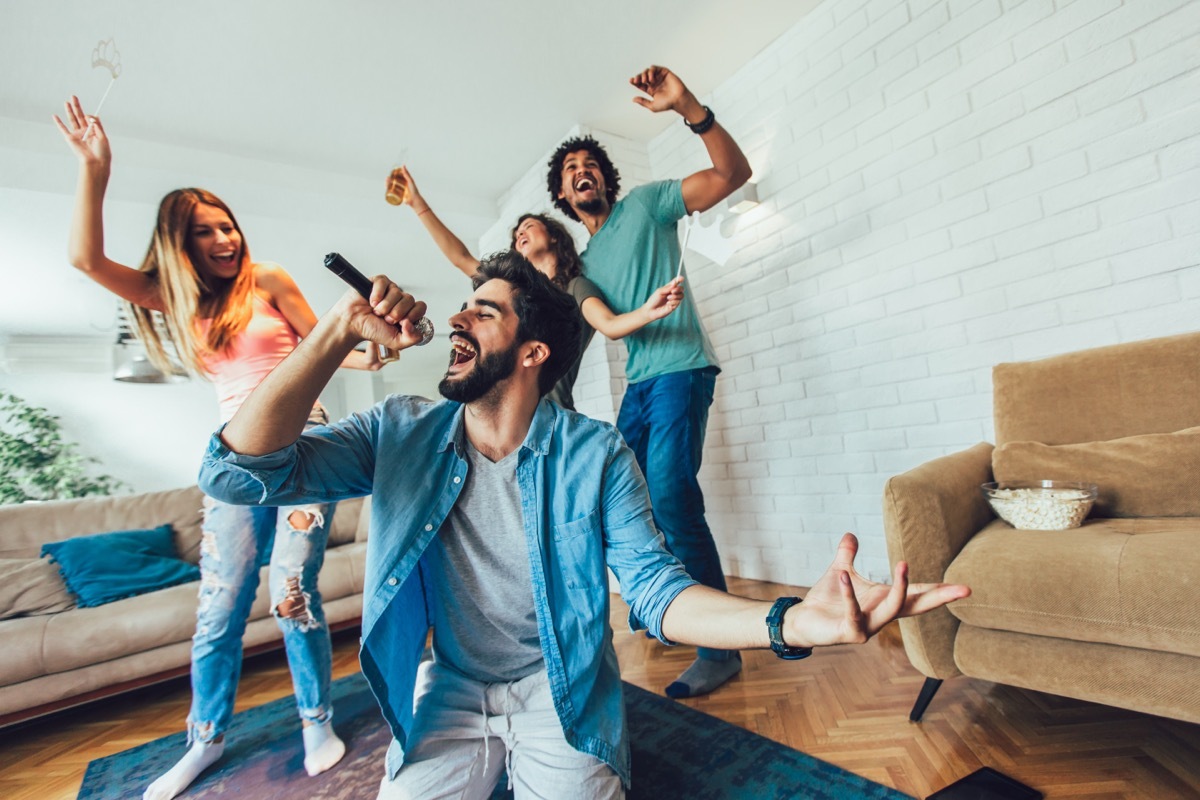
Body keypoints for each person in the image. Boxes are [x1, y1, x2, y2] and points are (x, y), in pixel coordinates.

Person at [198, 251, 971, 799]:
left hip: (560, 691)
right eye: (464, 304)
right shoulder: (398, 430)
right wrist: (335, 333)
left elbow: (658, 593)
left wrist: (792, 620)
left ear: (533, 352)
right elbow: (235, 472)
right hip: (451, 687)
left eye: (483, 310)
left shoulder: (595, 453)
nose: (457, 317)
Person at [53, 96, 383, 800]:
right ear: (181, 243)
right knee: (221, 604)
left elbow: (321, 346)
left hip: (307, 448)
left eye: (228, 224)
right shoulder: (169, 297)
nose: (225, 239)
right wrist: (95, 169)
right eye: (205, 231)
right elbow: (84, 257)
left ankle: (315, 719)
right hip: (236, 464)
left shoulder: (269, 280)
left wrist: (371, 353)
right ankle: (204, 741)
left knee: (289, 586)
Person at [547, 65, 753, 698]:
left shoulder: (645, 204)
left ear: (605, 179)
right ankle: (664, 605)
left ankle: (720, 648)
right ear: (562, 194)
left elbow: (730, 174)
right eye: (568, 170)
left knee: (669, 492)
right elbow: (592, 323)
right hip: (640, 386)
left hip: (681, 369)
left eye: (590, 164)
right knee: (627, 505)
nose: (582, 171)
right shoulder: (580, 264)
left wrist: (688, 106)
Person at [394, 165, 685, 410]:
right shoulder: (511, 292)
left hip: (550, 415)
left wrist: (648, 311)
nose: (520, 233)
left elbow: (608, 324)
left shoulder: (575, 288)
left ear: (555, 237)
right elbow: (461, 258)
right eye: (517, 233)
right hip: (502, 412)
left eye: (529, 227)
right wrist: (417, 203)